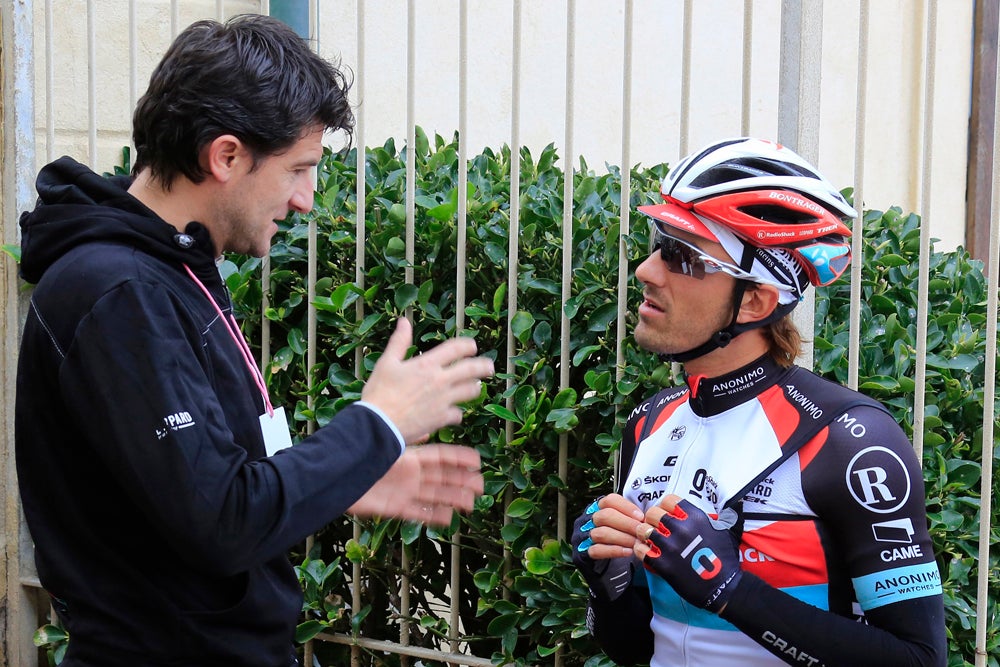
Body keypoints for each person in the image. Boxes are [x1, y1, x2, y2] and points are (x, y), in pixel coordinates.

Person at [15, 14, 493, 667]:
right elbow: (223, 520)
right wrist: (376, 426)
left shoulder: (168, 269)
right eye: (300, 168)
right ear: (228, 155)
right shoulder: (118, 292)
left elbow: (199, 482)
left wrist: (343, 478)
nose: (306, 199)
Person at [571, 137, 946, 666]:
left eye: (682, 256)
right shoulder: (650, 422)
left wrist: (730, 590)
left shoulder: (847, 440)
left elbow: (920, 659)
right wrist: (606, 586)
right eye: (659, 243)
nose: (647, 270)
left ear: (754, 301)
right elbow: (638, 648)